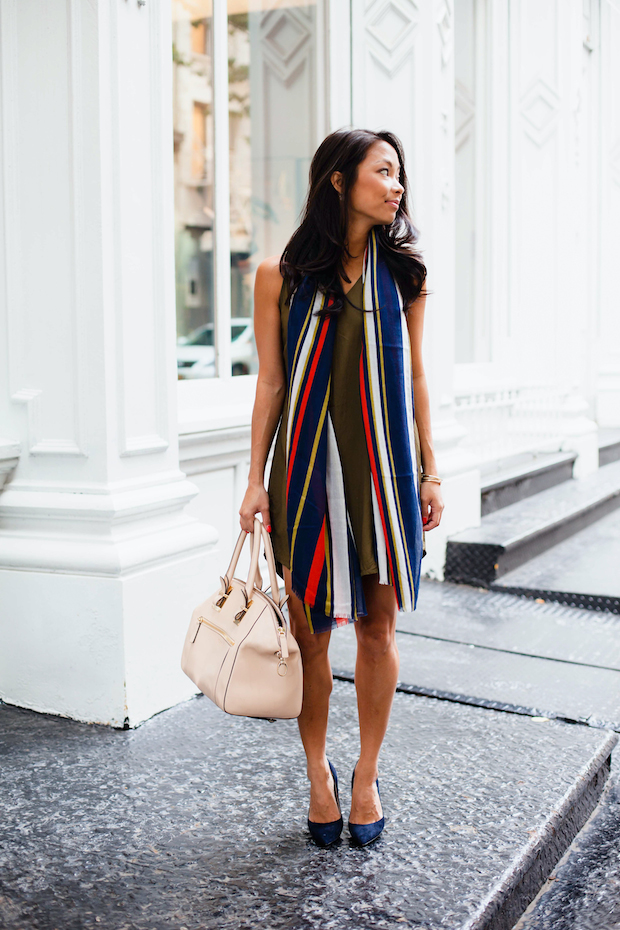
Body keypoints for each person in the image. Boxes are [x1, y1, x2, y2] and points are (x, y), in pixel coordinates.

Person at [239, 128, 444, 847]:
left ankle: (366, 776)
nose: (396, 187)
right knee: (313, 634)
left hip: (383, 474)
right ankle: (318, 776)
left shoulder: (408, 275)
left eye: (399, 176)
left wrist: (431, 467)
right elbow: (269, 382)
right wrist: (255, 482)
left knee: (381, 628)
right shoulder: (280, 276)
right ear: (338, 181)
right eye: (382, 172)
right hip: (305, 474)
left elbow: (415, 376)